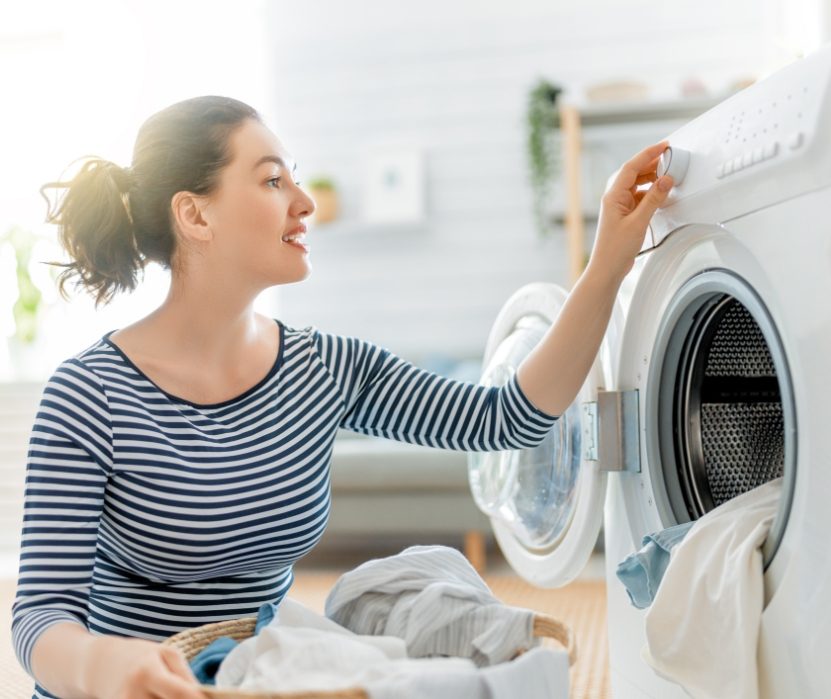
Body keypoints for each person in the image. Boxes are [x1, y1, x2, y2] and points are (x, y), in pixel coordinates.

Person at [10, 95, 673, 699]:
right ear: (194, 213)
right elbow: (41, 618)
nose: (304, 201)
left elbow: (507, 417)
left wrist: (608, 260)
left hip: (255, 683)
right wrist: (108, 668)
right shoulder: (89, 394)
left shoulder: (322, 367)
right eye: (273, 180)